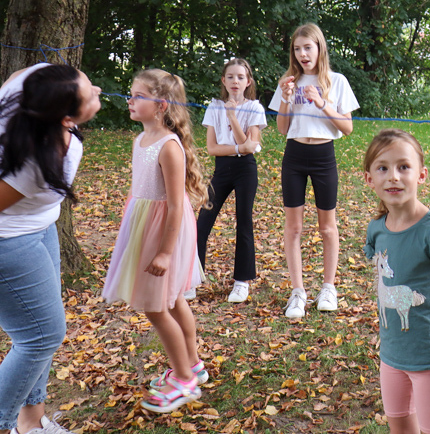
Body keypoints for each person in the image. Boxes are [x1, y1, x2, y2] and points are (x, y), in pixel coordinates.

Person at [0, 64, 101, 434]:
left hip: (42, 228)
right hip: (9, 242)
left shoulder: (31, 84)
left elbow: (26, 72)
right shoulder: (36, 163)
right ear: (65, 117)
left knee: (38, 332)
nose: (98, 91)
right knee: (41, 335)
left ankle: (31, 423)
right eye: (90, 95)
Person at [102, 70, 209, 413]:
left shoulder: (169, 147)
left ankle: (184, 381)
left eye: (138, 95)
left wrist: (164, 252)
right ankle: (192, 364)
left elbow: (176, 205)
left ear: (161, 105)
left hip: (165, 231)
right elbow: (142, 189)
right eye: (130, 93)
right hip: (144, 225)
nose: (129, 100)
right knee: (173, 299)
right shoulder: (140, 139)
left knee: (156, 305)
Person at [363, 129, 430, 434]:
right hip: (392, 354)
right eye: (383, 168)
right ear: (369, 178)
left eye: (403, 167)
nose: (393, 177)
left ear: (421, 175)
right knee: (400, 426)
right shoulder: (376, 230)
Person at [268, 23, 359, 318]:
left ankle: (328, 288)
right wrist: (285, 98)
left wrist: (321, 103)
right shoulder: (288, 82)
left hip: (323, 156)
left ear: (320, 48)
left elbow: (347, 128)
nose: (303, 54)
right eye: (297, 48)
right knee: (293, 227)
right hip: (294, 156)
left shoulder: (336, 81)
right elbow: (282, 129)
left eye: (308, 47)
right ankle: (298, 292)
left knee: (327, 227)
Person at [195, 58, 267, 303]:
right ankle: (192, 278)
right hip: (222, 170)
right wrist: (239, 147)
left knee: (244, 221)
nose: (235, 81)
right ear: (223, 81)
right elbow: (212, 148)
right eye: (230, 77)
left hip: (245, 170)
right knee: (202, 222)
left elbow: (250, 147)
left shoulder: (255, 108)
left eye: (240, 77)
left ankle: (241, 282)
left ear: (248, 82)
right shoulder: (214, 107)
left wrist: (233, 117)